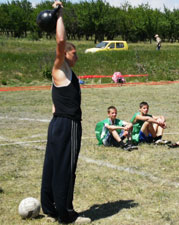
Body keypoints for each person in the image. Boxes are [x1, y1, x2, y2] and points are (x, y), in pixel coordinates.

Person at [40, 1, 91, 224]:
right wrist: (59, 14)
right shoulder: (60, 65)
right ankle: (66, 213)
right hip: (68, 124)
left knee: (52, 164)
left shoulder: (62, 73)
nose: (77, 56)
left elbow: (55, 101)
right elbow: (61, 40)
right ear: (67, 53)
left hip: (56, 123)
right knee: (65, 168)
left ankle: (49, 207)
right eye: (75, 52)